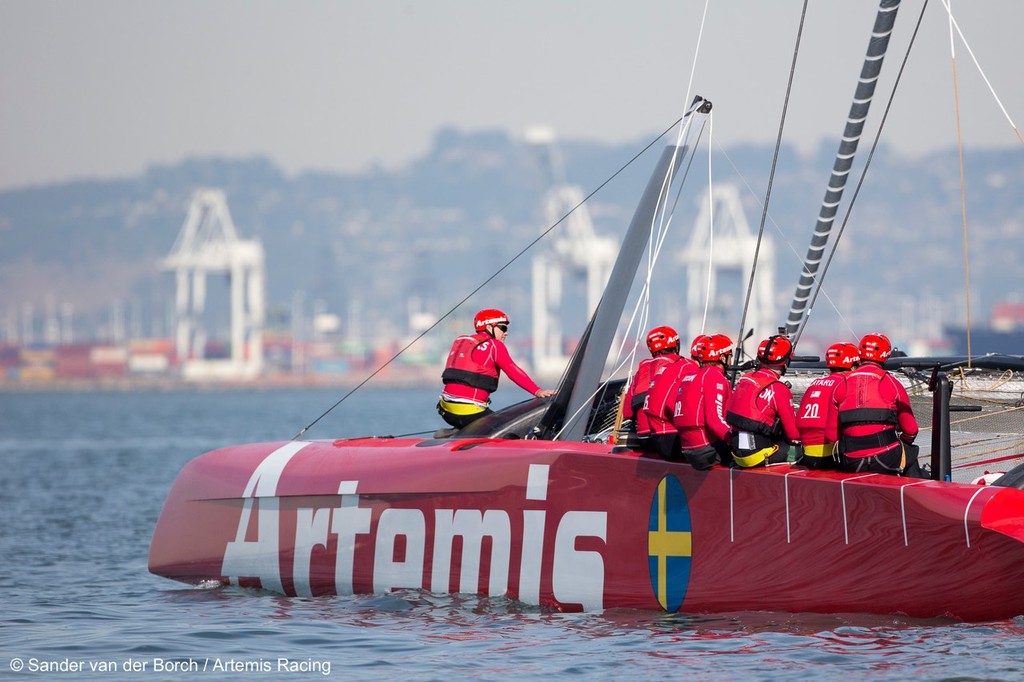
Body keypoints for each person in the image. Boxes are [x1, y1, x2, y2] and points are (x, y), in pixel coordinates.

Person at [437, 309, 555, 429]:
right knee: (512, 429)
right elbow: (513, 370)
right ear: (489, 327)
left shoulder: (463, 341)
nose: (506, 333)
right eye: (503, 328)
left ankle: (457, 432)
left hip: (445, 410)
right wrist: (538, 391)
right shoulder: (495, 345)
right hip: (469, 412)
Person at [829, 332, 923, 477]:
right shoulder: (892, 383)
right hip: (886, 458)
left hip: (851, 461)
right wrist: (902, 442)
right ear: (886, 356)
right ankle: (918, 495)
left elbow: (831, 436)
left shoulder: (841, 385)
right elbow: (911, 430)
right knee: (911, 453)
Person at [725, 334, 801, 468]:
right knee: (801, 451)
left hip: (736, 454)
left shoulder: (745, 379)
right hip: (756, 456)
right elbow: (794, 434)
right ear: (785, 362)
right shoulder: (778, 389)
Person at [673, 333, 734, 470]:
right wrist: (736, 440)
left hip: (688, 448)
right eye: (729, 355)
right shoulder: (714, 377)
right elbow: (715, 421)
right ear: (722, 357)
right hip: (707, 451)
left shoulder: (691, 376)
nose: (731, 359)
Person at [795, 342, 858, 470]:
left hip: (808, 455)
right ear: (853, 367)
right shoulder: (846, 384)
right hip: (832, 456)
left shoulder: (815, 383)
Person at [641, 334, 703, 460]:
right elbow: (672, 405)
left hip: (648, 438)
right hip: (674, 441)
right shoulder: (687, 366)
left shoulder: (648, 367)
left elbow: (627, 411)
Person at [621, 326, 683, 443]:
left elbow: (627, 412)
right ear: (676, 345)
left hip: (644, 438)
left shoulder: (642, 369)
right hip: (670, 437)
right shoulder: (684, 365)